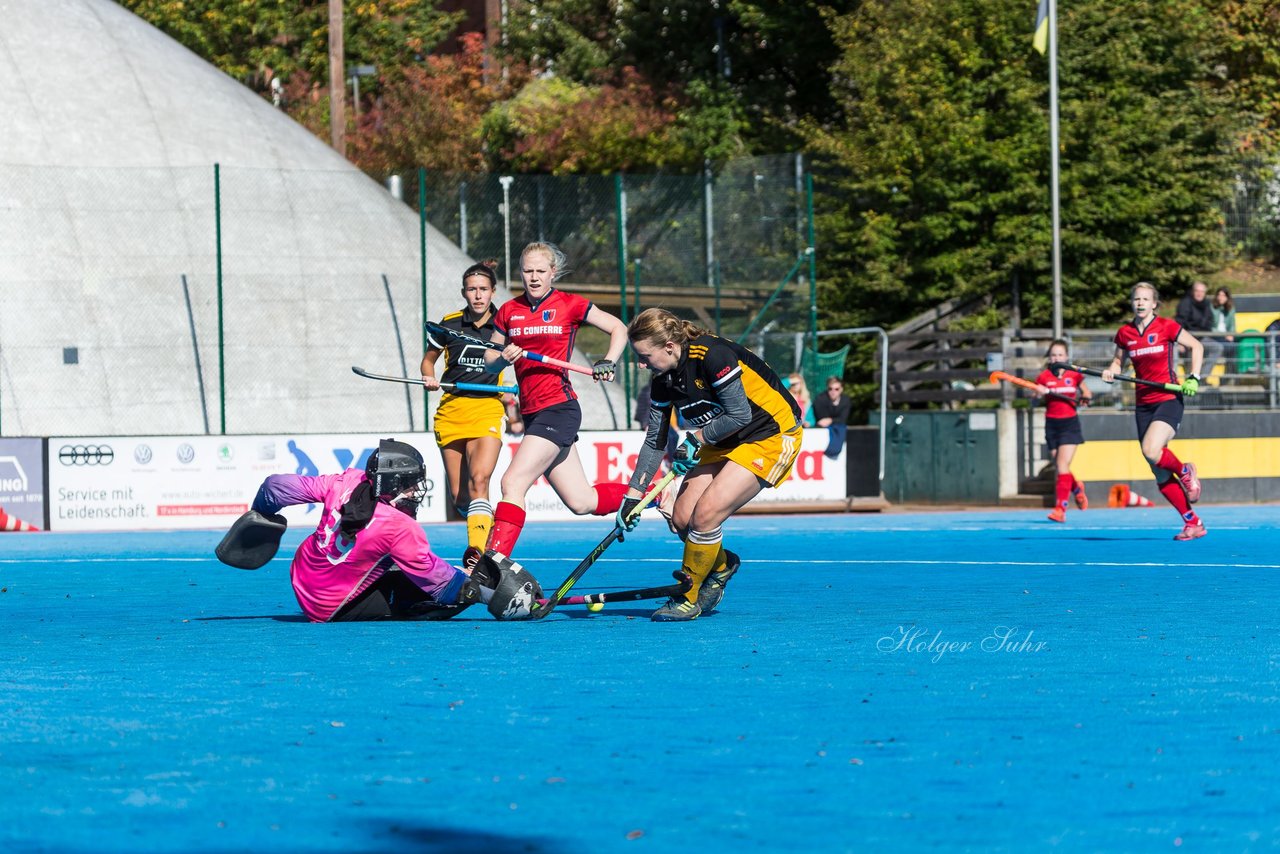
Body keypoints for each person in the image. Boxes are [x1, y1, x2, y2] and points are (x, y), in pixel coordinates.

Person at [617, 307, 804, 621]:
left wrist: (697, 438)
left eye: (645, 356)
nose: (641, 363)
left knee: (705, 516)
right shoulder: (663, 379)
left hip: (770, 433)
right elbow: (655, 439)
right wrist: (632, 496)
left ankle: (688, 598)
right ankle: (720, 566)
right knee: (681, 520)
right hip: (724, 438)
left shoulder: (712, 356)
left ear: (669, 347)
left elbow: (740, 415)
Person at [234, 438, 536, 622]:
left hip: (302, 575)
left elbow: (276, 486)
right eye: (412, 484)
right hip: (327, 606)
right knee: (446, 598)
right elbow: (438, 583)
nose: (417, 490)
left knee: (390, 562)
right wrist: (482, 593)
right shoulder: (399, 527)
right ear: (393, 487)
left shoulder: (347, 481)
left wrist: (262, 512)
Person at [480, 241, 631, 558]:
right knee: (582, 502)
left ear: (553, 273)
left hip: (559, 409)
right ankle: (656, 496)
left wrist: (608, 361)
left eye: (540, 271)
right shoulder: (509, 311)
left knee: (513, 482)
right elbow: (489, 358)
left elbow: (618, 328)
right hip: (533, 413)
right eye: (527, 271)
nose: (533, 277)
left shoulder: (570, 304)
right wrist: (502, 358)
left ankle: (492, 562)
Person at [421, 261, 510, 565]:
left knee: (480, 480)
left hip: (487, 407)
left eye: (483, 289)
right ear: (464, 292)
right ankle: (491, 524)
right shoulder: (449, 323)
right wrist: (429, 377)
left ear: (492, 291)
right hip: (452, 411)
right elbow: (428, 361)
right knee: (462, 498)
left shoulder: (505, 324)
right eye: (472, 289)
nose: (477, 295)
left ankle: (476, 554)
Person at [1102, 282, 1206, 541]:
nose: (1140, 303)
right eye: (1136, 299)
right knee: (1158, 470)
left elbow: (1197, 346)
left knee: (1151, 449)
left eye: (1145, 299)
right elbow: (1118, 361)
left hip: (1168, 398)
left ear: (1154, 304)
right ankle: (1192, 523)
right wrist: (1112, 371)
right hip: (1143, 404)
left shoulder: (1166, 326)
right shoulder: (1124, 333)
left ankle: (1184, 472)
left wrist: (1193, 377)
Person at [1033, 340, 1092, 523]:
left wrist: (1084, 398)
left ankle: (1060, 509)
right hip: (1052, 425)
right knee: (1061, 466)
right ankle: (1076, 488)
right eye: (1053, 355)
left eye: (1060, 354)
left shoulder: (1074, 374)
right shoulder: (1043, 377)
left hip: (1069, 424)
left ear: (1066, 357)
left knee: (1061, 464)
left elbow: (1087, 394)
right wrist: (1038, 393)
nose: (1056, 357)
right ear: (1049, 358)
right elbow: (1034, 400)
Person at [1174, 280, 1223, 379]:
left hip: (1201, 338)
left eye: (1202, 291)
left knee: (1217, 347)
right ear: (1193, 291)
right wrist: (1180, 341)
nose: (1199, 293)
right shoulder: (1185, 303)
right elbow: (1180, 323)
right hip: (1187, 338)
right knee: (1191, 351)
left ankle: (1201, 377)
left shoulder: (1206, 304)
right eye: (1197, 291)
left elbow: (1209, 322)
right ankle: (1189, 379)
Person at [811, 376, 852, 458]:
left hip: (836, 427)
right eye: (830, 389)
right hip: (820, 431)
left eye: (836, 389)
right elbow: (821, 420)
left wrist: (831, 420)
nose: (833, 392)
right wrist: (834, 420)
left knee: (840, 428)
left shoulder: (846, 400)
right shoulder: (820, 399)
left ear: (841, 389)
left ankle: (833, 450)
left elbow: (843, 419)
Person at [1211, 286, 1236, 372]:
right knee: (1228, 347)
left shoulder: (1231, 309)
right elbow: (1210, 327)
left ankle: (1229, 375)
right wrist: (1224, 335)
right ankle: (1230, 374)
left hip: (1226, 337)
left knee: (1234, 346)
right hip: (1214, 336)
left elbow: (1232, 326)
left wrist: (1231, 334)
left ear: (1227, 297)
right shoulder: (1212, 308)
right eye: (1219, 295)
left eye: (1223, 295)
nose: (1221, 297)